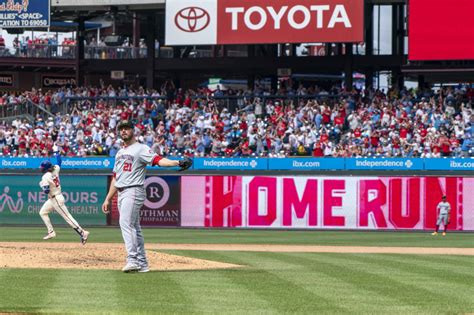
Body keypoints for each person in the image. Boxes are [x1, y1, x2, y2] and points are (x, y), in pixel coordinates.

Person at [101, 120, 192, 273]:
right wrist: (108, 198)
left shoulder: (141, 148)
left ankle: (132, 260)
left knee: (126, 223)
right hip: (122, 191)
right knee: (134, 227)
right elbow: (116, 178)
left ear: (133, 131)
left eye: (127, 128)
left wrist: (177, 162)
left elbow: (158, 160)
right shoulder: (120, 152)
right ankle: (142, 263)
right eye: (121, 129)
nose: (123, 131)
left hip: (133, 190)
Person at [39, 151, 90, 244]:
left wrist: (42, 186)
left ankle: (83, 233)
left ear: (45, 168)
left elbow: (46, 191)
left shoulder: (45, 176)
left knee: (68, 217)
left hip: (56, 199)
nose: (40, 168)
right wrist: (57, 153)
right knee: (42, 212)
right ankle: (51, 232)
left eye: (42, 167)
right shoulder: (55, 170)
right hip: (54, 198)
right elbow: (59, 162)